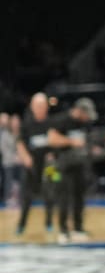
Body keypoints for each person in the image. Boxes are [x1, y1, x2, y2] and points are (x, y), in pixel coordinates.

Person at [48, 97, 98, 240]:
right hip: (63, 167)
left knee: (79, 197)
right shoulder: (62, 120)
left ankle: (78, 228)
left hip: (80, 165)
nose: (88, 118)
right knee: (64, 198)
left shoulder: (85, 124)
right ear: (79, 111)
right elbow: (52, 139)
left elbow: (86, 142)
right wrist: (71, 141)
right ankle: (63, 231)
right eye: (86, 114)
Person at [15, 92, 55, 237]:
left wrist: (52, 154)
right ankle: (21, 225)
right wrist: (25, 156)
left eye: (42, 105)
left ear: (46, 107)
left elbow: (56, 142)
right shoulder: (27, 123)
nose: (39, 108)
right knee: (26, 197)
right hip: (30, 166)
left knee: (50, 192)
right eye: (36, 105)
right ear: (32, 106)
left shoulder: (52, 123)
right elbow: (19, 141)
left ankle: (49, 223)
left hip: (49, 167)